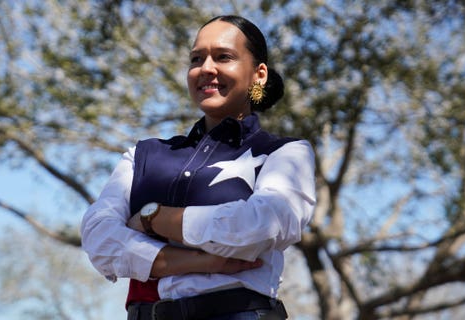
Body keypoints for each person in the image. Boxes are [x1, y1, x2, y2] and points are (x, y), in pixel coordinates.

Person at [81, 15, 316, 320]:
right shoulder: (142, 155)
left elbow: (261, 226)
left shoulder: (284, 153)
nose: (206, 68)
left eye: (223, 57)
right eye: (196, 59)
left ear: (259, 74)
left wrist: (153, 219)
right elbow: (98, 237)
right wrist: (204, 262)